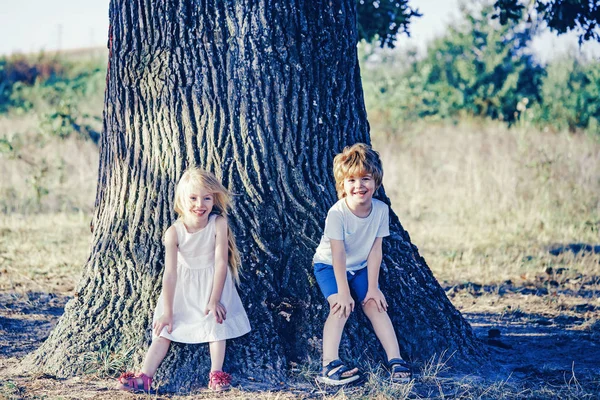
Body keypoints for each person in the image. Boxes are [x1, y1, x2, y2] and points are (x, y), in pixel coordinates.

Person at [116, 168, 251, 392]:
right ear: (182, 199)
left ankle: (216, 374)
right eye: (193, 198)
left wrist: (214, 299)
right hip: (183, 290)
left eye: (207, 198)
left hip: (212, 285)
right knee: (164, 330)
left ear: (214, 199)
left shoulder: (218, 224)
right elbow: (170, 274)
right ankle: (145, 377)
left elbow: (220, 264)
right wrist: (167, 310)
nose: (200, 204)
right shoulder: (174, 233)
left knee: (215, 324)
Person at [312, 143, 412, 385]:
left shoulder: (380, 210)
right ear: (342, 186)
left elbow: (376, 251)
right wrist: (344, 292)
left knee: (374, 304)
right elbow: (337, 255)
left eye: (365, 179)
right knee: (340, 307)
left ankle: (395, 359)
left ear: (376, 182)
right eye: (352, 180)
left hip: (360, 267)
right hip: (329, 266)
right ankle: (329, 364)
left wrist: (373, 287)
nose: (359, 186)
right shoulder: (337, 214)